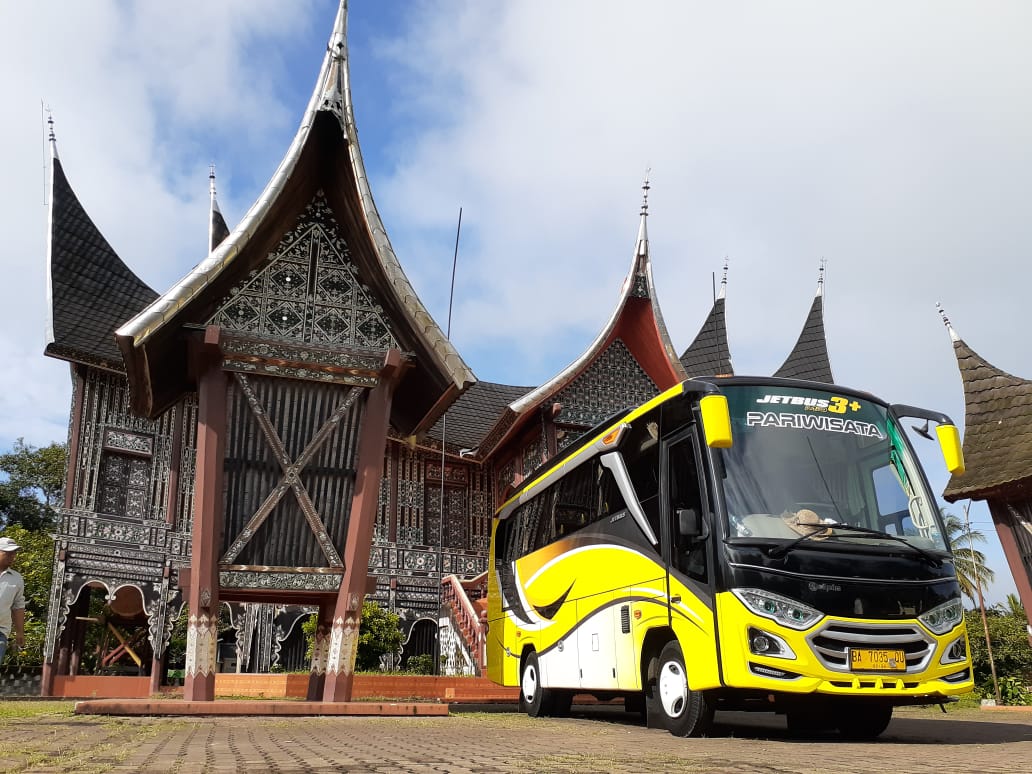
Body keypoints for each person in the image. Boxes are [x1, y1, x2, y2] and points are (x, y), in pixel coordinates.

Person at [0, 536, 26, 663]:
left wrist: (20, 632)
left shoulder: (17, 578)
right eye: (8, 553)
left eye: (14, 553)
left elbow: (18, 606)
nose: (12, 556)